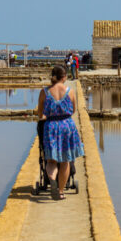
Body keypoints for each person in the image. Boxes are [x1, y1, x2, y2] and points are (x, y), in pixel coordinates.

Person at [37, 66, 85, 200]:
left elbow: (40, 113)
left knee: (51, 160)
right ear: (64, 77)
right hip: (66, 126)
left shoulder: (44, 92)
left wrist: (47, 116)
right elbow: (73, 110)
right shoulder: (70, 91)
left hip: (50, 127)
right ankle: (61, 191)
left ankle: (52, 179)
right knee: (65, 161)